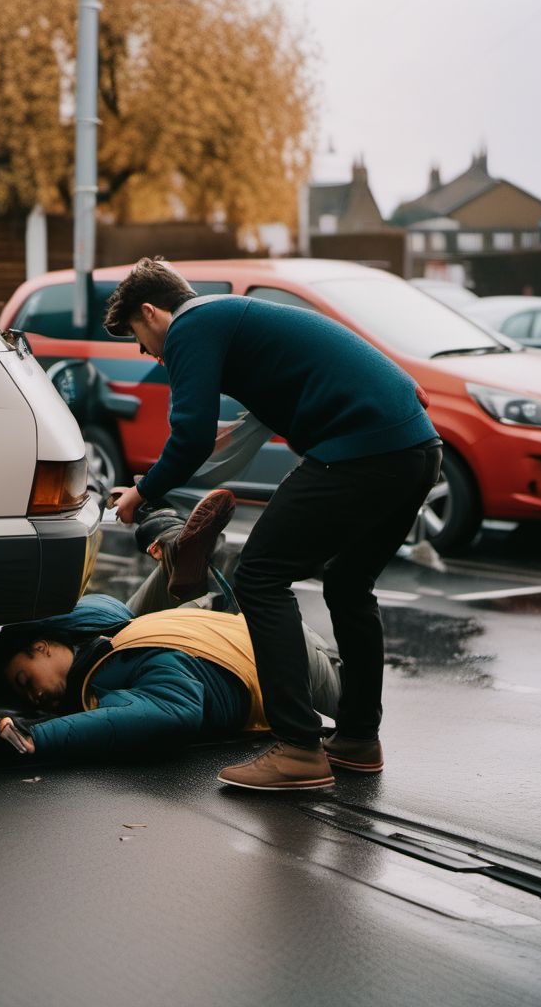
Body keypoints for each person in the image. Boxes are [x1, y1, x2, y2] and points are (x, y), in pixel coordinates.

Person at [105, 258, 442, 791]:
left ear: (152, 310)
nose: (146, 353)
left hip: (360, 454)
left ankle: (298, 748)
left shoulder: (192, 325)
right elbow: (336, 349)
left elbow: (190, 434)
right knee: (351, 586)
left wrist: (143, 492)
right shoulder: (234, 316)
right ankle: (356, 738)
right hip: (416, 449)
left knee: (260, 575)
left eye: (139, 338)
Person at [0, 496, 343, 771]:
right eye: (23, 693)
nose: (32, 696)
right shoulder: (106, 649)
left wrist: (36, 738)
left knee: (352, 708)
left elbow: (173, 712)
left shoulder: (106, 654)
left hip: (287, 657)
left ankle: (173, 541)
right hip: (220, 629)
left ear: (42, 646)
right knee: (138, 619)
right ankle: (167, 531)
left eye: (24, 679)